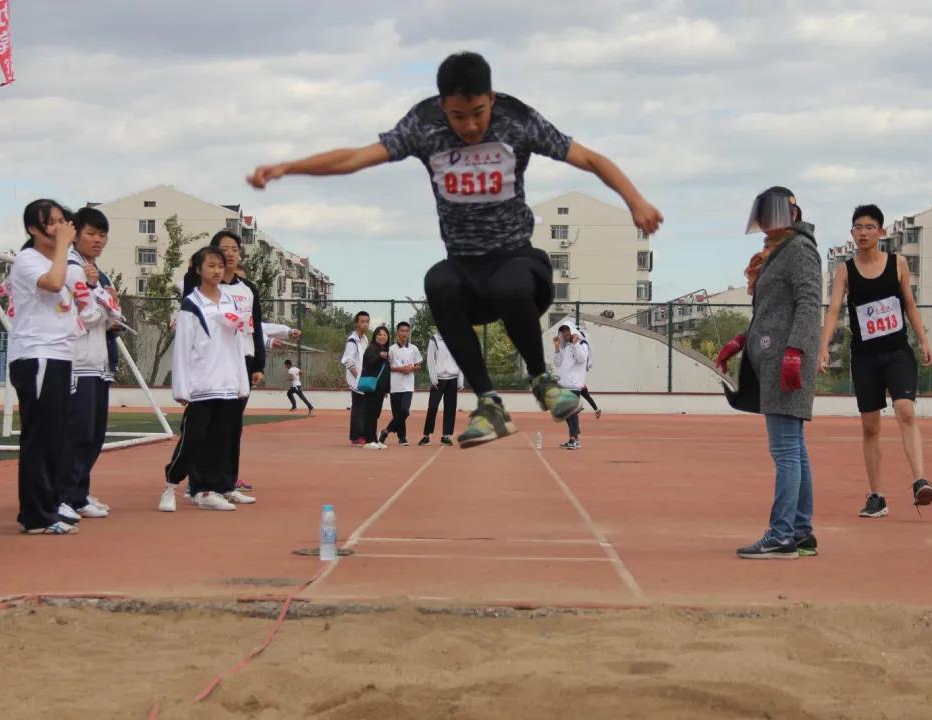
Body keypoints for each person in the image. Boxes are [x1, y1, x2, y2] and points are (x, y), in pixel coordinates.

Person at [248, 51, 662, 448]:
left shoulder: (517, 119)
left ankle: (541, 380)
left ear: (492, 99)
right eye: (458, 116)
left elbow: (589, 158)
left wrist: (635, 201)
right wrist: (289, 167)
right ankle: (489, 402)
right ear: (443, 105)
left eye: (479, 113)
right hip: (465, 270)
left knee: (511, 282)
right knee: (437, 281)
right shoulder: (424, 124)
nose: (469, 127)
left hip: (519, 261)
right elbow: (356, 157)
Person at [718, 187, 821, 559]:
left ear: (793, 213)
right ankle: (799, 532)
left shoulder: (799, 249)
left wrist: (797, 349)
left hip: (785, 361)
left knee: (786, 450)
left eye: (776, 212)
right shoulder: (776, 253)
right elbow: (773, 314)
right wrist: (741, 339)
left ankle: (780, 536)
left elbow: (809, 304)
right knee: (794, 449)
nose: (768, 221)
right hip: (773, 356)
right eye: (764, 213)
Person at [819, 204, 932, 518]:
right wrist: (824, 346)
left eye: (870, 227)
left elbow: (910, 306)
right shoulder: (845, 270)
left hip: (898, 352)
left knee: (905, 409)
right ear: (852, 233)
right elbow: (833, 310)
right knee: (870, 426)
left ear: (881, 232)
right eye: (858, 227)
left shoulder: (897, 264)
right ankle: (876, 496)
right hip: (865, 357)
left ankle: (920, 480)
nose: (864, 232)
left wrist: (924, 339)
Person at [8, 200, 82, 535]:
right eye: (50, 223)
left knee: (55, 437)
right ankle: (35, 515)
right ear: (33, 230)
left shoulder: (60, 259)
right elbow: (52, 284)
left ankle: (49, 506)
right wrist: (65, 245)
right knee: (39, 437)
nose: (58, 227)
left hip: (60, 355)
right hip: (36, 355)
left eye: (61, 221)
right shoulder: (27, 259)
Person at [160, 247, 251, 512]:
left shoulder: (230, 303)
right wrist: (182, 387)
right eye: (211, 266)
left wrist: (241, 383)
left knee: (220, 441)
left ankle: (207, 491)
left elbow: (237, 345)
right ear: (198, 270)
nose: (217, 271)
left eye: (220, 266)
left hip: (227, 385)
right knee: (193, 438)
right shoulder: (191, 305)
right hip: (201, 386)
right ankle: (170, 486)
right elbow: (182, 348)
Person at [184, 231, 263, 494]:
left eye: (234, 249)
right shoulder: (199, 286)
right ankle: (196, 480)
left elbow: (256, 327)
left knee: (231, 426)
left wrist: (259, 364)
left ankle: (227, 480)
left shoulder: (247, 289)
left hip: (241, 360)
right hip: (209, 363)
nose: (229, 254)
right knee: (202, 426)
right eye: (223, 249)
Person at [57, 207, 117, 522]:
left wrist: (105, 303)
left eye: (102, 235)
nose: (98, 240)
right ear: (76, 233)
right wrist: (99, 296)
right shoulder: (72, 268)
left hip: (98, 360)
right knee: (78, 432)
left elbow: (115, 313)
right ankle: (63, 495)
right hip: (77, 361)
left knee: (93, 433)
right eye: (91, 233)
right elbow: (91, 314)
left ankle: (78, 494)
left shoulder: (94, 270)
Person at [380, 321, 422, 446]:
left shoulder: (414, 348)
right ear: (397, 332)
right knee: (397, 413)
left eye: (406, 331)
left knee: (404, 411)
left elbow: (419, 365)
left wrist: (411, 368)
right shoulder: (391, 349)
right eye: (402, 331)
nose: (404, 333)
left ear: (409, 333)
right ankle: (402, 437)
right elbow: (387, 367)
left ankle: (386, 431)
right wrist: (400, 369)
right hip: (395, 385)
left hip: (408, 385)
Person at [419, 330, 463, 446]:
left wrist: (460, 380)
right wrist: (433, 378)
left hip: (453, 378)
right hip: (438, 380)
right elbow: (430, 359)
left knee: (450, 408)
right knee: (432, 407)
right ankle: (426, 436)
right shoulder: (434, 339)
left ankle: (446, 436)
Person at [553, 321, 589, 450]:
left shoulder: (582, 344)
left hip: (574, 384)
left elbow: (581, 359)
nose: (564, 333)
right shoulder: (565, 347)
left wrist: (575, 344)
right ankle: (574, 438)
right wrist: (557, 347)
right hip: (564, 384)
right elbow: (557, 363)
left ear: (572, 331)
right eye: (562, 331)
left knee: (570, 412)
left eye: (566, 330)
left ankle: (574, 439)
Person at [359, 325, 392, 450]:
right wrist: (380, 357)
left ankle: (374, 439)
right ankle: (369, 440)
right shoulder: (372, 348)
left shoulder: (384, 350)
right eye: (380, 334)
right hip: (372, 386)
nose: (382, 337)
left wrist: (386, 389)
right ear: (375, 336)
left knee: (376, 413)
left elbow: (387, 371)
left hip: (380, 388)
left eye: (385, 334)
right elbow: (370, 364)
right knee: (371, 413)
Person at [341, 311, 370, 446]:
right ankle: (356, 437)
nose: (365, 324)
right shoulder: (352, 341)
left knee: (364, 408)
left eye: (367, 321)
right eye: (362, 321)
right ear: (356, 323)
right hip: (356, 380)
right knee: (358, 408)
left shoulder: (364, 339)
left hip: (364, 379)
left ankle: (363, 434)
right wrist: (357, 376)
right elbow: (347, 360)